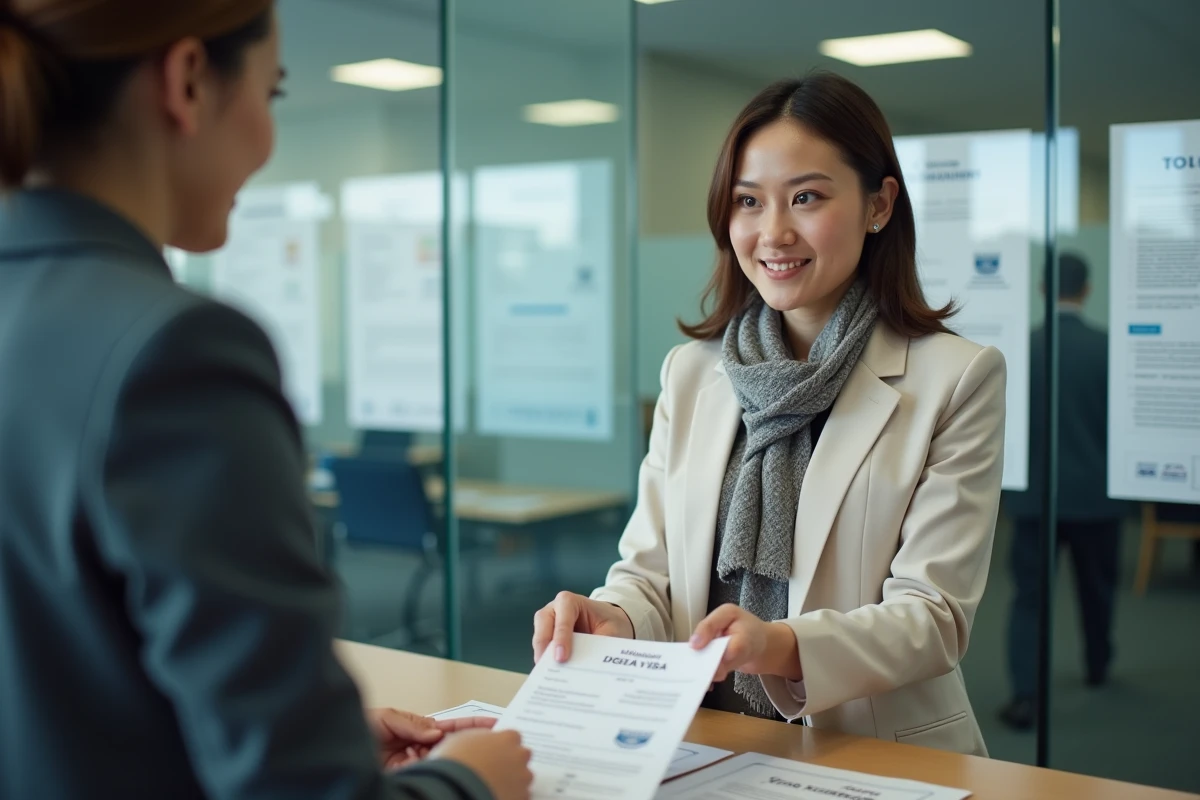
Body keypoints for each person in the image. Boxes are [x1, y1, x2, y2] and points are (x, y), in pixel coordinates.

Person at [0, 3, 531, 799]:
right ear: (186, 83)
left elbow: (63, 689)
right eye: (273, 93)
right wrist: (468, 783)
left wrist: (318, 731)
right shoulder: (175, 353)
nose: (268, 136)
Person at [531, 72, 1006, 756]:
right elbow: (651, 576)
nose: (773, 232)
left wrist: (779, 646)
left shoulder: (956, 378)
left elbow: (933, 618)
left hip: (874, 751)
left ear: (879, 205)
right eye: (748, 202)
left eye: (806, 197)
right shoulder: (692, 374)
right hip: (702, 746)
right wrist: (610, 617)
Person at [999, 253, 1126, 730]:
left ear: (1040, 289)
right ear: (1087, 289)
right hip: (1099, 497)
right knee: (1098, 590)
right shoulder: (1109, 349)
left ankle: (1026, 696)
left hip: (1035, 501)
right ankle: (1098, 666)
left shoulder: (1019, 350)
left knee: (1030, 598)